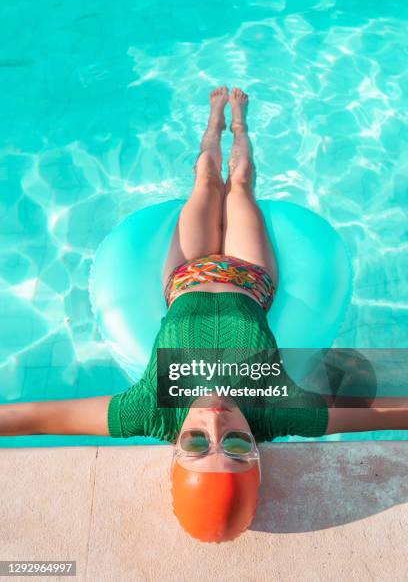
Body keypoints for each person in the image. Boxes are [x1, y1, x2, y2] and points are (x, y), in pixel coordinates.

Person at [1, 87, 407, 543]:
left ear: (176, 450)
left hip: (186, 274)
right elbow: (391, 412)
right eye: (235, 446)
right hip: (250, 277)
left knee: (204, 181)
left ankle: (214, 117)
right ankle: (239, 122)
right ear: (255, 448)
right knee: (242, 181)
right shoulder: (278, 413)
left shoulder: (149, 412)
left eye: (197, 445)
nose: (216, 422)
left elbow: (31, 417)